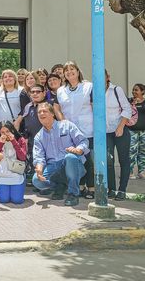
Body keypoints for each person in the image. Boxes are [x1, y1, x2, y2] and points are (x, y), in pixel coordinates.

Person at [32, 102, 89, 207]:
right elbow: (39, 157)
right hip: (53, 167)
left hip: (71, 164)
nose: (41, 113)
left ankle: (73, 194)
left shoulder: (66, 125)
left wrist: (78, 150)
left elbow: (83, 141)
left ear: (52, 114)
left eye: (44, 111)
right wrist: (39, 169)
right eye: (39, 112)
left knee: (70, 157)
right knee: (36, 181)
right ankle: (60, 185)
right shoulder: (38, 136)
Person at [54, 61, 95, 199]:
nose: (69, 72)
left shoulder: (88, 86)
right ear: (64, 74)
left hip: (87, 128)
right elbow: (56, 107)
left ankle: (91, 187)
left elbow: (95, 105)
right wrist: (62, 121)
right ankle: (80, 185)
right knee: (74, 158)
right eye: (66, 70)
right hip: (70, 131)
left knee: (88, 159)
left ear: (78, 71)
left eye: (72, 69)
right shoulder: (61, 90)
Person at [105, 70, 133, 201]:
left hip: (120, 129)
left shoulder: (116, 90)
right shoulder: (94, 92)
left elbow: (127, 108)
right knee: (108, 161)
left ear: (108, 77)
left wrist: (121, 126)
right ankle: (111, 189)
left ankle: (122, 190)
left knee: (124, 160)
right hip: (105, 132)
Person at [14, 84, 46, 178]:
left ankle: (45, 185)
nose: (35, 94)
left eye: (38, 91)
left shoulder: (47, 105)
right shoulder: (28, 106)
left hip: (45, 139)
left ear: (44, 93)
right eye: (32, 92)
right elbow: (22, 121)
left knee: (45, 162)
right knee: (34, 161)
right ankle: (36, 181)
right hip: (31, 140)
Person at [0, 121, 27, 204]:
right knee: (3, 200)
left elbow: (23, 157)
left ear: (12, 130)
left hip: (16, 173)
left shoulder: (20, 139)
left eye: (8, 131)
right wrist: (1, 144)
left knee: (17, 200)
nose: (6, 134)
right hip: (2, 174)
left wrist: (14, 141)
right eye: (3, 132)